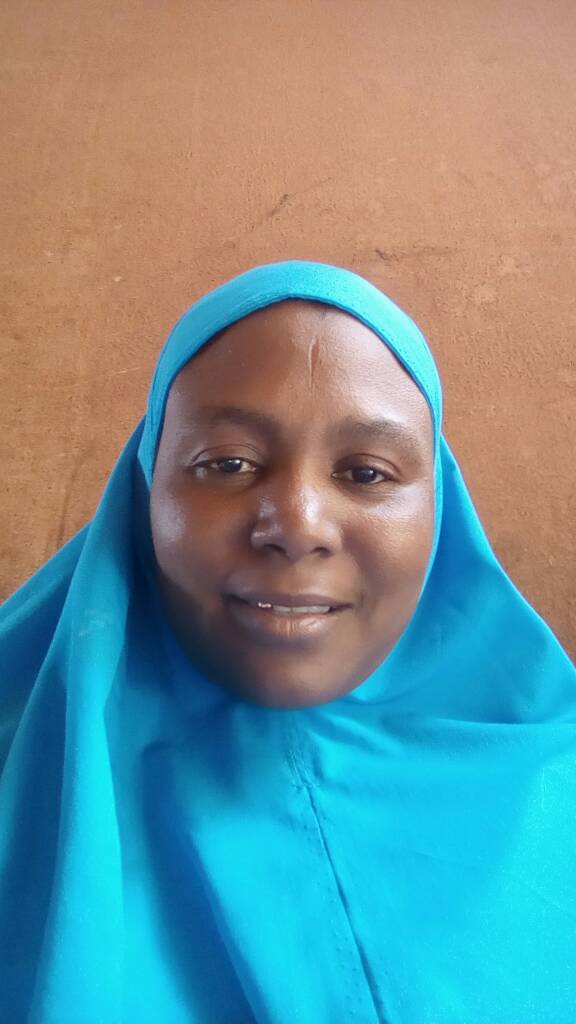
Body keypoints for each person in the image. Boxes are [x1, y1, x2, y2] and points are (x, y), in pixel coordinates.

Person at [1, 260, 574, 1024]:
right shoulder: (25, 778)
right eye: (228, 463)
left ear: (440, 508)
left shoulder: (554, 784)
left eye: (366, 473)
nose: (298, 525)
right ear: (146, 490)